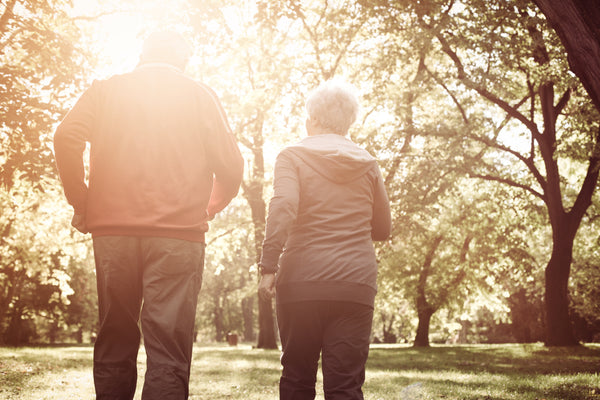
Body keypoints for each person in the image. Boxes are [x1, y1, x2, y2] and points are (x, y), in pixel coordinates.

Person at [53, 31, 243, 400]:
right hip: (178, 236)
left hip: (113, 233)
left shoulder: (105, 90)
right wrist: (210, 206)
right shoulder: (198, 95)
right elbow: (232, 168)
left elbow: (65, 137)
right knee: (168, 348)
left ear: (141, 55)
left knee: (115, 336)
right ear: (183, 61)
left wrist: (82, 201)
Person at [258, 79, 392, 400]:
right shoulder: (368, 163)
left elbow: (284, 206)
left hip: (301, 282)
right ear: (348, 123)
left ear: (312, 120)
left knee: (297, 379)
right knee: (346, 386)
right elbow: (383, 229)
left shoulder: (292, 156)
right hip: (354, 284)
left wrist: (268, 265)